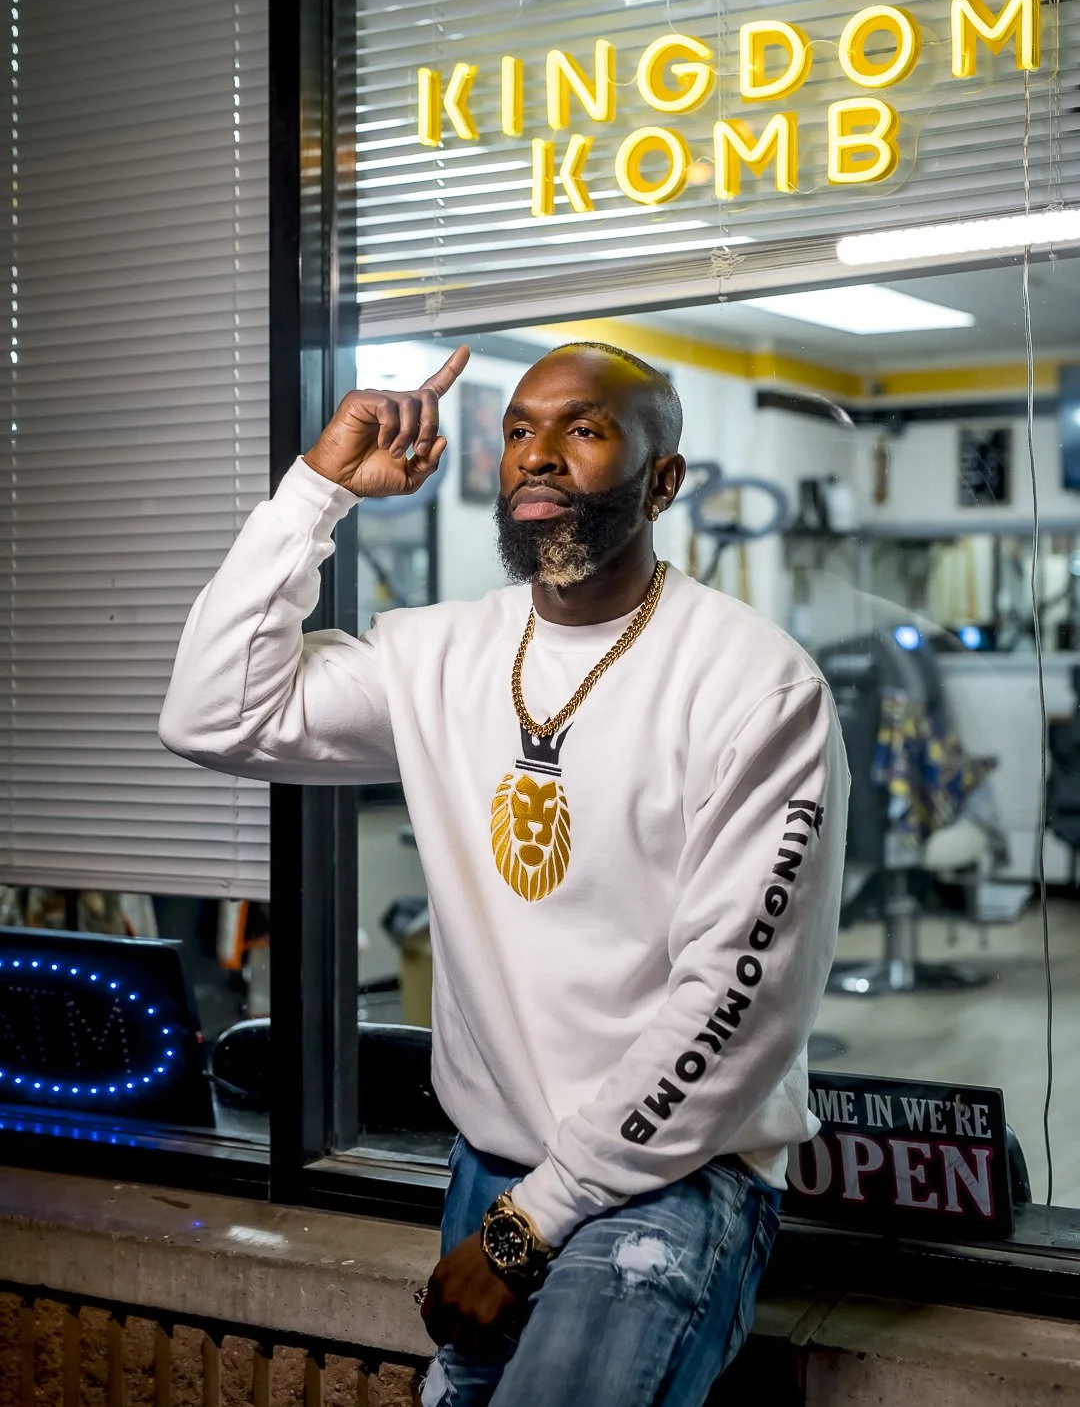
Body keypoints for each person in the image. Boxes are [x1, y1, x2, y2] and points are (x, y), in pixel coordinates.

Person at [159, 339, 849, 1407]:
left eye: (583, 430)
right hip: (493, 1171)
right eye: (520, 432)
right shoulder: (435, 657)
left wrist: (535, 1225)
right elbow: (212, 713)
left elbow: (737, 1006)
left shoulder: (754, 686)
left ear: (661, 479)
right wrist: (317, 491)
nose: (539, 456)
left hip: (672, 1181)